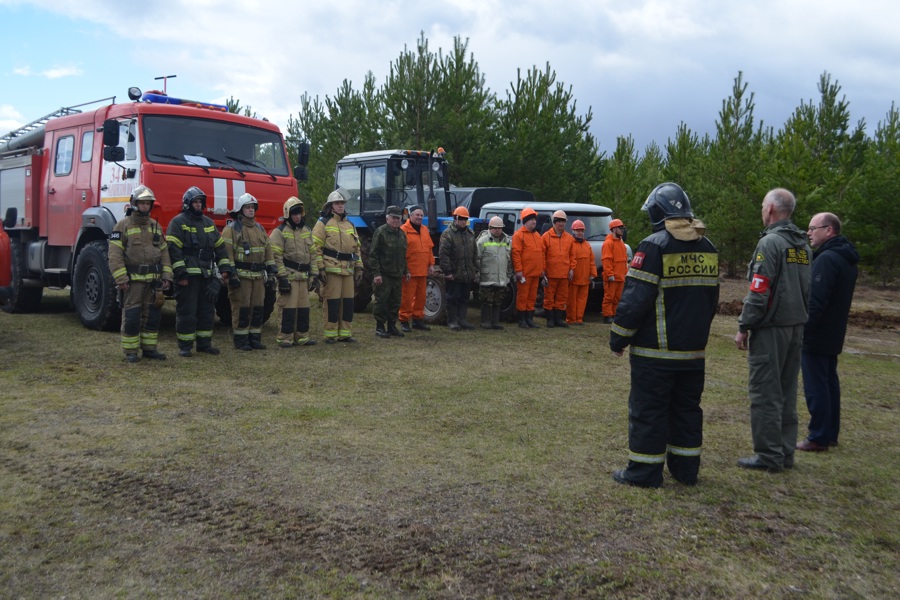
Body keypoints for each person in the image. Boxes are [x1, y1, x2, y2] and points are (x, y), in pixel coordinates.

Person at [609, 182, 719, 488]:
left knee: (649, 411)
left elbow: (635, 300)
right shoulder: (707, 247)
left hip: (655, 353)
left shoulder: (654, 245)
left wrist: (618, 337)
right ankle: (686, 470)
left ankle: (643, 472)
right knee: (687, 410)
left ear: (658, 212)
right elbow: (711, 301)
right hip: (693, 353)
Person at [735, 188, 811, 473]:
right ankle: (785, 451)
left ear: (770, 209)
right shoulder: (801, 244)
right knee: (787, 390)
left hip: (771, 328)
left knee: (766, 392)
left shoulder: (771, 243)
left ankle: (768, 455)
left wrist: (744, 325)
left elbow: (759, 289)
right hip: (795, 326)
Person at [798, 212, 859, 451]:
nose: (809, 233)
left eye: (813, 228)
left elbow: (815, 301)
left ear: (829, 230)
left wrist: (804, 330)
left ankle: (819, 436)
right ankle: (830, 431)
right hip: (833, 332)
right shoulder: (846, 257)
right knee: (829, 381)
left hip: (818, 333)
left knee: (816, 385)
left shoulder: (827, 259)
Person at [107, 185, 173, 363]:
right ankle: (130, 351)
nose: (145, 206)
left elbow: (164, 252)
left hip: (153, 282)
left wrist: (167, 276)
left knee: (152, 316)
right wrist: (121, 279)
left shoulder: (155, 226)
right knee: (132, 315)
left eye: (148, 203)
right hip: (133, 282)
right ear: (134, 204)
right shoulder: (122, 226)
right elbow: (114, 255)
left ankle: (150, 349)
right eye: (142, 203)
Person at [166, 186, 232, 357]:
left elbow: (221, 249)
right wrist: (180, 274)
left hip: (206, 276)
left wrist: (224, 270)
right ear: (187, 203)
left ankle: (204, 344)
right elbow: (173, 250)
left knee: (207, 311)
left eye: (200, 202)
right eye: (195, 202)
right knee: (187, 311)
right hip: (187, 277)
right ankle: (185, 346)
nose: (198, 205)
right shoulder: (178, 222)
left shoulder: (209, 224)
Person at [222, 193, 277, 351]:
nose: (251, 210)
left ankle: (255, 339)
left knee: (258, 308)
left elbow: (268, 251)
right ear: (240, 210)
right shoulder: (232, 229)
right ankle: (241, 340)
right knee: (242, 308)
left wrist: (272, 272)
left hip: (258, 277)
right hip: (241, 277)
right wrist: (231, 274)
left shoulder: (259, 229)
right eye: (247, 207)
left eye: (253, 207)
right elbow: (227, 253)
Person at [312, 188, 364, 343]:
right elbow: (315, 247)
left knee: (348, 303)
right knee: (332, 303)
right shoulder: (323, 223)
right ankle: (330, 334)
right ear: (331, 205)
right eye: (337, 203)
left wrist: (359, 266)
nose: (340, 206)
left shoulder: (350, 224)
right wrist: (320, 268)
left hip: (347, 270)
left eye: (342, 203)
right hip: (331, 270)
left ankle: (345, 333)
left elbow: (357, 248)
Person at [270, 196, 318, 348]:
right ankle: (285, 338)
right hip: (289, 278)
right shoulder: (279, 232)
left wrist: (314, 275)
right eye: (294, 214)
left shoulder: (306, 231)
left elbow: (313, 254)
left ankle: (302, 337)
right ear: (287, 215)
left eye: (299, 213)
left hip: (303, 278)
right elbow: (276, 256)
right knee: (287, 309)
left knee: (303, 309)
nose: (297, 217)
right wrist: (282, 278)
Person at [370, 205, 408, 338]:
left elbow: (403, 255)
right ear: (387, 218)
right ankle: (380, 327)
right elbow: (373, 255)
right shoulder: (380, 232)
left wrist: (406, 271)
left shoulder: (401, 234)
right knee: (381, 301)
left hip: (397, 275)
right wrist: (376, 274)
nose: (396, 220)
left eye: (398, 218)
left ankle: (392, 326)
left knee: (395, 302)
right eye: (394, 218)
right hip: (384, 275)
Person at [438, 205, 477, 331]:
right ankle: (452, 321)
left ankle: (462, 320)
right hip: (454, 273)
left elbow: (474, 253)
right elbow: (443, 255)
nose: (463, 221)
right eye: (461, 219)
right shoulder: (447, 234)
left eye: (465, 219)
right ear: (455, 218)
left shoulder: (470, 234)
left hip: (467, 273)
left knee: (464, 298)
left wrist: (474, 269)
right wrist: (447, 271)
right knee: (452, 298)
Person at [399, 205, 435, 332]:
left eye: (421, 215)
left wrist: (431, 264)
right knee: (407, 298)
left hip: (422, 271)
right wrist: (404, 270)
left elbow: (429, 248)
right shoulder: (403, 230)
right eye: (417, 215)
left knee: (421, 297)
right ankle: (404, 320)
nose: (419, 217)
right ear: (410, 215)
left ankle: (417, 320)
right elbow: (400, 252)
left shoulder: (425, 230)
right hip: (410, 271)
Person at [475, 216, 513, 330]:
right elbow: (477, 259)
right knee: (487, 301)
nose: (497, 230)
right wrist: (477, 274)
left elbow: (509, 260)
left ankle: (495, 321)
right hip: (487, 278)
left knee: (498, 300)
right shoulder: (482, 241)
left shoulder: (507, 241)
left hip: (501, 278)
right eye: (495, 228)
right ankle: (485, 321)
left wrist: (508, 275)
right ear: (490, 228)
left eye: (500, 228)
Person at [512, 207, 545, 328]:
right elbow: (516, 254)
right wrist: (519, 271)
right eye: (531, 220)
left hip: (536, 273)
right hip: (524, 274)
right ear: (525, 221)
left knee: (532, 297)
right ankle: (522, 320)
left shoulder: (537, 235)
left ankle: (529, 319)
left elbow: (541, 254)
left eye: (534, 220)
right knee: (523, 297)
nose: (534, 222)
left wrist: (542, 269)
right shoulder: (518, 235)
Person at [542, 209, 576, 328]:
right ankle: (550, 320)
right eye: (558, 221)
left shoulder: (570, 238)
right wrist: (543, 271)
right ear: (554, 222)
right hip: (550, 273)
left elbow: (572, 255)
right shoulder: (546, 237)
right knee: (549, 297)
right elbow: (542, 255)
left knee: (562, 298)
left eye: (563, 221)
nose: (561, 224)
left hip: (564, 274)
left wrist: (572, 269)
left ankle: (558, 319)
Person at [566, 219, 598, 325]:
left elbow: (591, 261)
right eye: (578, 230)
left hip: (585, 278)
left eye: (581, 231)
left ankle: (579, 319)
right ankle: (571, 319)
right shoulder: (570, 244)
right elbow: (569, 260)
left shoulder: (587, 245)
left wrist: (593, 274)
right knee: (572, 300)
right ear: (573, 231)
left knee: (582, 300)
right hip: (574, 278)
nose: (580, 233)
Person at [601, 218, 628, 324]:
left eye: (623, 228)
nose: (622, 230)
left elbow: (624, 260)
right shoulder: (608, 243)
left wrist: (625, 273)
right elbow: (606, 260)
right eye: (620, 228)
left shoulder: (621, 243)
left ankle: (614, 315)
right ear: (614, 229)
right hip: (612, 277)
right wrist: (610, 274)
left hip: (620, 276)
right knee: (609, 297)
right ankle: (607, 316)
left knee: (617, 298)